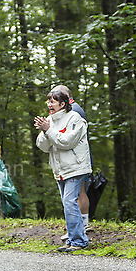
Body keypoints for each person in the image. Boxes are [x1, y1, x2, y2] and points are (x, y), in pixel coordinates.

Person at [35, 88, 91, 252]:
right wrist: (46, 130)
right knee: (67, 204)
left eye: (52, 101)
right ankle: (74, 238)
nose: (49, 105)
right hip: (60, 169)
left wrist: (48, 130)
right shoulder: (50, 120)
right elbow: (43, 146)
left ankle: (79, 241)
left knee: (69, 202)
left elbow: (67, 141)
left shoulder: (75, 118)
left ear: (62, 103)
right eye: (48, 101)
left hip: (76, 167)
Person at [52, 85, 93, 239]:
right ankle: (79, 226)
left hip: (77, 160)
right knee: (75, 194)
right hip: (75, 159)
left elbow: (68, 139)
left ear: (65, 97)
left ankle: (81, 226)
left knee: (77, 194)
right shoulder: (72, 109)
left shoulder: (74, 111)